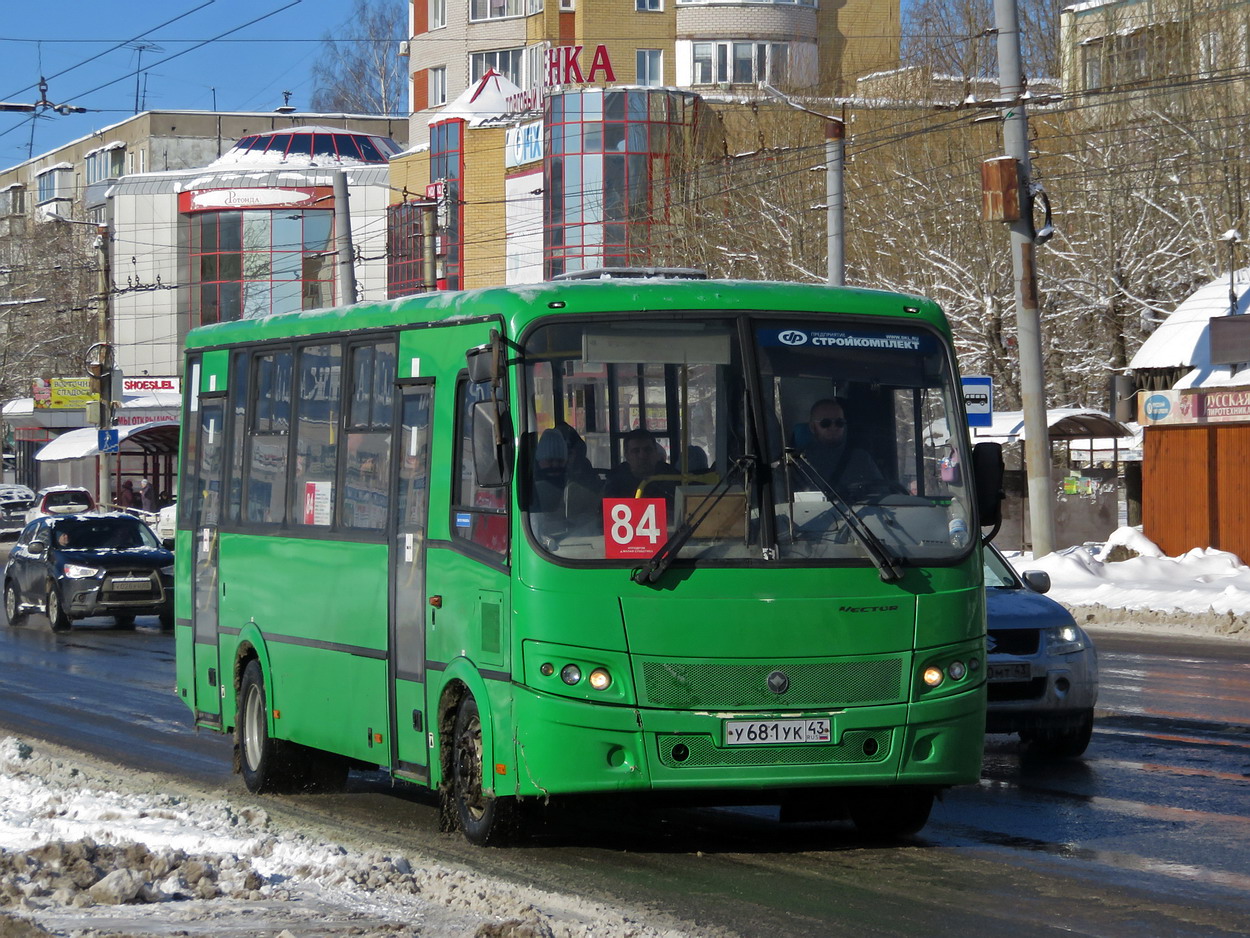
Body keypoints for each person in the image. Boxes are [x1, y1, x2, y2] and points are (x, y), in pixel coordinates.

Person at [799, 398, 882, 490]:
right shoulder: (799, 462)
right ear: (812, 426)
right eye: (825, 423)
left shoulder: (862, 458)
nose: (833, 427)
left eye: (839, 423)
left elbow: (882, 494)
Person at [604, 429, 675, 499]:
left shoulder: (672, 477)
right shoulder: (615, 480)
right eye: (636, 451)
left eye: (648, 450)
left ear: (656, 452)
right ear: (627, 455)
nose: (642, 456)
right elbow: (604, 508)